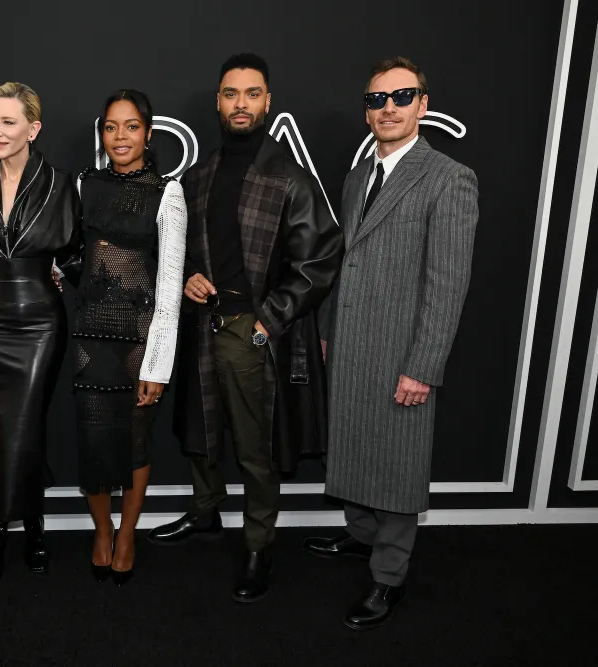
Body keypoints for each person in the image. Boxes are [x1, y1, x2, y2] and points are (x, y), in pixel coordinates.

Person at [146, 53, 344, 604]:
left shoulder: (289, 178)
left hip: (251, 330)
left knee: (255, 448)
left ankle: (259, 544)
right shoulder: (200, 175)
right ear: (218, 100)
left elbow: (320, 259)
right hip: (203, 323)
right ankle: (206, 512)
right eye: (231, 93)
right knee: (200, 428)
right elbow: (177, 250)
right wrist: (187, 277)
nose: (240, 103)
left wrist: (271, 317)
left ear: (267, 102)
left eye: (251, 94)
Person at [305, 57, 479, 630]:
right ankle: (361, 537)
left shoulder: (449, 178)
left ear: (423, 104)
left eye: (401, 96)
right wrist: (329, 331)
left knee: (399, 465)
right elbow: (344, 265)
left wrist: (422, 367)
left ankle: (389, 578)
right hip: (352, 342)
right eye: (377, 99)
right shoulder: (359, 176)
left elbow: (447, 284)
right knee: (351, 445)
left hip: (403, 352)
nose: (387, 108)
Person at [0, 82, 84, 587]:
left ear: (32, 128)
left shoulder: (60, 183)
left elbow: (77, 251)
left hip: (40, 318)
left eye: (8, 122)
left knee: (25, 419)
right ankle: (30, 521)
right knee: (3, 425)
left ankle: (1, 525)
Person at [73, 90, 187, 586]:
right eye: (111, 127)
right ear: (102, 133)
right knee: (93, 440)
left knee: (136, 441)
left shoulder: (169, 193)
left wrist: (157, 365)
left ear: (148, 132)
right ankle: (102, 530)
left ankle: (128, 533)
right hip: (87, 339)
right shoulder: (85, 185)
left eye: (131, 126)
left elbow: (169, 285)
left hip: (140, 341)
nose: (120, 137)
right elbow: (74, 250)